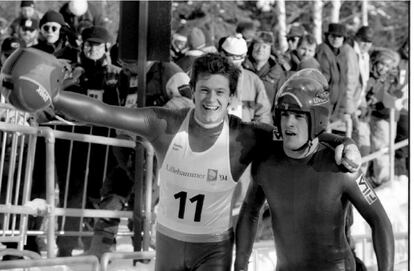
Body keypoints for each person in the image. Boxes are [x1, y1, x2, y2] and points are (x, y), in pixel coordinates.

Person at [2, 49, 361, 270]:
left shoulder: (246, 135)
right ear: (193, 89)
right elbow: (103, 112)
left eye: (220, 92)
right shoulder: (166, 124)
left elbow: (299, 131)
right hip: (170, 249)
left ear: (231, 96)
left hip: (214, 252)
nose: (211, 100)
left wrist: (341, 141)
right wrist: (51, 95)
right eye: (204, 90)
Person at [234, 69, 394, 271]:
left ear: (316, 120)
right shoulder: (266, 163)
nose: (289, 122)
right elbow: (249, 212)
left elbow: (380, 222)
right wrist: (240, 265)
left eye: (298, 115)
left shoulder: (341, 165)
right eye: (284, 114)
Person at [365, 48, 401, 187]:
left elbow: (396, 92)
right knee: (381, 148)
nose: (384, 68)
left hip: (391, 116)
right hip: (379, 116)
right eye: (382, 64)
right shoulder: (372, 78)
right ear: (375, 63)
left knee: (388, 147)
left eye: (387, 66)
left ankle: (385, 177)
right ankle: (381, 179)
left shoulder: (390, 78)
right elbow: (373, 95)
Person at [242, 31, 285, 108]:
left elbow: (280, 101)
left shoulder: (277, 73)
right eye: (257, 45)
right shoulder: (242, 67)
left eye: (264, 46)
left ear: (271, 50)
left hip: (265, 118)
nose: (260, 49)